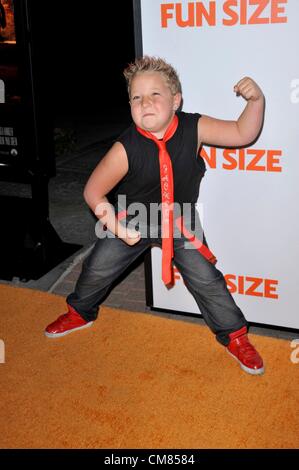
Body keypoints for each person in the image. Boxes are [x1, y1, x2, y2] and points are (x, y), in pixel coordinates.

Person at [45, 56, 266, 376]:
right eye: (136, 97)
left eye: (155, 94)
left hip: (180, 219)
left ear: (176, 100)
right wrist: (118, 228)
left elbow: (242, 133)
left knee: (207, 279)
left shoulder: (195, 126)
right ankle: (80, 312)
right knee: (96, 268)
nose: (144, 102)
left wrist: (256, 101)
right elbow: (93, 192)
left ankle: (234, 335)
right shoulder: (125, 146)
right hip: (131, 217)